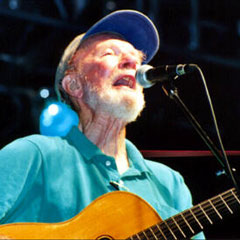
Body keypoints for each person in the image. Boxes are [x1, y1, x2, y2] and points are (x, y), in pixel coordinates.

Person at [0, 10, 204, 239]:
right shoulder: (33, 155)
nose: (132, 63)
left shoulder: (170, 184)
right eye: (110, 53)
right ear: (75, 85)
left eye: (136, 58)